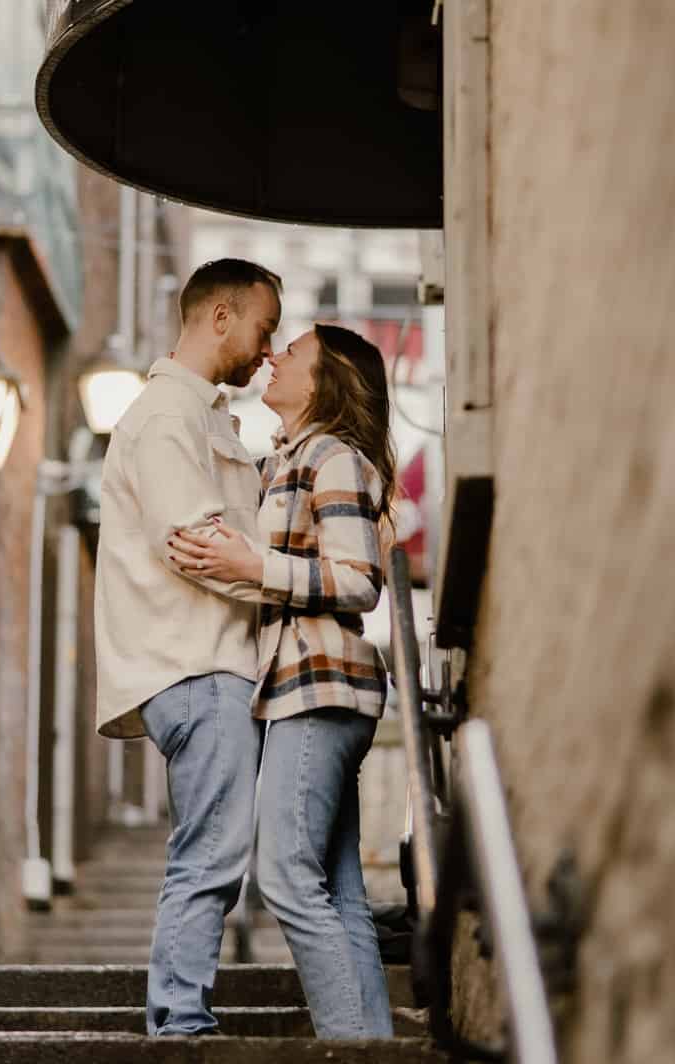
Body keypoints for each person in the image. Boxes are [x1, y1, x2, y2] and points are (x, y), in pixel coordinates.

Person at [167, 324, 396, 1039]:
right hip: (305, 688)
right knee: (339, 891)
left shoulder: (332, 457)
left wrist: (252, 567)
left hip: (319, 686)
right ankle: (373, 1045)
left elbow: (361, 582)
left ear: (326, 382)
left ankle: (349, 1048)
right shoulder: (291, 459)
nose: (272, 356)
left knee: (289, 880)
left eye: (290, 352)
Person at [92, 258, 281, 1036]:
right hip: (200, 665)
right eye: (264, 330)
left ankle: (179, 1014)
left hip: (201, 665)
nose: (268, 352)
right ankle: (178, 1022)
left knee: (215, 847)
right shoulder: (169, 416)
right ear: (222, 318)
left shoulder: (198, 416)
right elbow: (197, 546)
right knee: (212, 851)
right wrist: (294, 575)